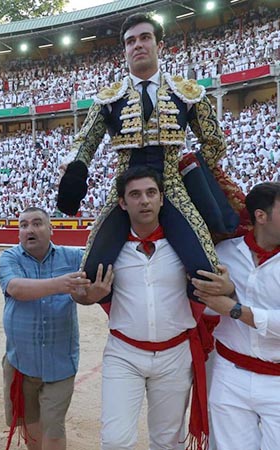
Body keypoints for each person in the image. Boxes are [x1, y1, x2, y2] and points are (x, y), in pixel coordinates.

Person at [57, 12, 236, 303]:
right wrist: (76, 167)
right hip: (124, 191)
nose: (137, 45)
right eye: (130, 41)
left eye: (144, 38)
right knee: (91, 271)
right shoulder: (108, 97)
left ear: (158, 45)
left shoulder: (187, 92)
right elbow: (85, 141)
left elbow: (214, 141)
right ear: (125, 51)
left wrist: (195, 172)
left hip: (172, 187)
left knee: (206, 270)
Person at [74, 166, 231, 450]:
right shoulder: (109, 249)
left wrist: (227, 287)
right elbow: (82, 294)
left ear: (161, 199)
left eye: (150, 193)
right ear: (122, 203)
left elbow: (222, 288)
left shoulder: (187, 248)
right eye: (135, 195)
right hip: (124, 354)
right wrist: (89, 297)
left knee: (167, 442)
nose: (144, 200)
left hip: (175, 355)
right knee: (115, 441)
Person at [192, 182, 280, 450]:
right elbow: (203, 306)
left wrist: (234, 308)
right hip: (230, 375)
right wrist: (221, 294)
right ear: (261, 216)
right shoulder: (224, 254)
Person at [0, 207, 88, 450]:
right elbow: (16, 288)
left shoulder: (74, 257)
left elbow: (94, 286)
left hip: (60, 360)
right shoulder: (9, 257)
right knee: (31, 426)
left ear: (51, 229)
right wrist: (61, 284)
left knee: (54, 427)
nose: (30, 229)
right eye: (24, 225)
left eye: (37, 223)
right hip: (21, 361)